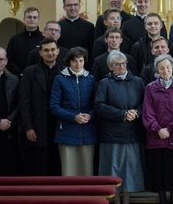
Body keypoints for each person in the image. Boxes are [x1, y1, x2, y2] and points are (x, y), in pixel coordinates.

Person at [95, 50, 145, 204]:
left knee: (130, 169)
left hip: (133, 133)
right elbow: (99, 106)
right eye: (117, 64)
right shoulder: (105, 83)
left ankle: (127, 200)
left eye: (124, 63)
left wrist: (136, 112)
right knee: (113, 169)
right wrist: (122, 114)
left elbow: (146, 103)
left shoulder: (137, 82)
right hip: (112, 135)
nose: (122, 66)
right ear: (111, 67)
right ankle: (116, 200)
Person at [142, 54, 173, 204]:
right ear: (157, 70)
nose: (165, 70)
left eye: (168, 67)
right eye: (161, 68)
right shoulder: (150, 88)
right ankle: (162, 200)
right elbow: (147, 112)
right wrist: (157, 129)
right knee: (159, 174)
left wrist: (169, 129)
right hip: (156, 138)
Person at [50, 47, 97, 176]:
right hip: (66, 131)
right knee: (69, 171)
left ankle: (86, 196)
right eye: (75, 61)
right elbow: (54, 106)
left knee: (87, 170)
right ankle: (68, 197)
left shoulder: (91, 79)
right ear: (69, 62)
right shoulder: (60, 79)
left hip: (88, 131)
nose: (78, 64)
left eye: (81, 61)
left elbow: (97, 104)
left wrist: (90, 115)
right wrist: (73, 117)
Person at [21, 38, 64, 176]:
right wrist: (28, 127)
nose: (50, 53)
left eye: (52, 49)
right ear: (40, 53)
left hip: (60, 126)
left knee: (58, 165)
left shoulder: (65, 72)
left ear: (58, 51)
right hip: (38, 126)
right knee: (39, 168)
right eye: (46, 50)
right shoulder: (30, 72)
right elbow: (24, 102)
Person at [0, 47, 21, 176]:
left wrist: (9, 120)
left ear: (6, 61)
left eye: (1, 59)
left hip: (9, 131)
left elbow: (20, 104)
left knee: (9, 168)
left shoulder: (14, 80)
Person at [58, 0, 95, 70]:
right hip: (62, 66)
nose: (73, 7)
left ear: (79, 6)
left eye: (75, 5)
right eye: (69, 5)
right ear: (64, 7)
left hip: (83, 67)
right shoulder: (58, 26)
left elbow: (91, 50)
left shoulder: (89, 26)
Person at [6, 6, 44, 77]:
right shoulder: (15, 39)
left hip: (40, 77)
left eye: (35, 17)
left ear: (38, 20)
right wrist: (20, 73)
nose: (32, 19)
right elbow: (8, 60)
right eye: (29, 17)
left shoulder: (44, 39)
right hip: (19, 78)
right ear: (24, 19)